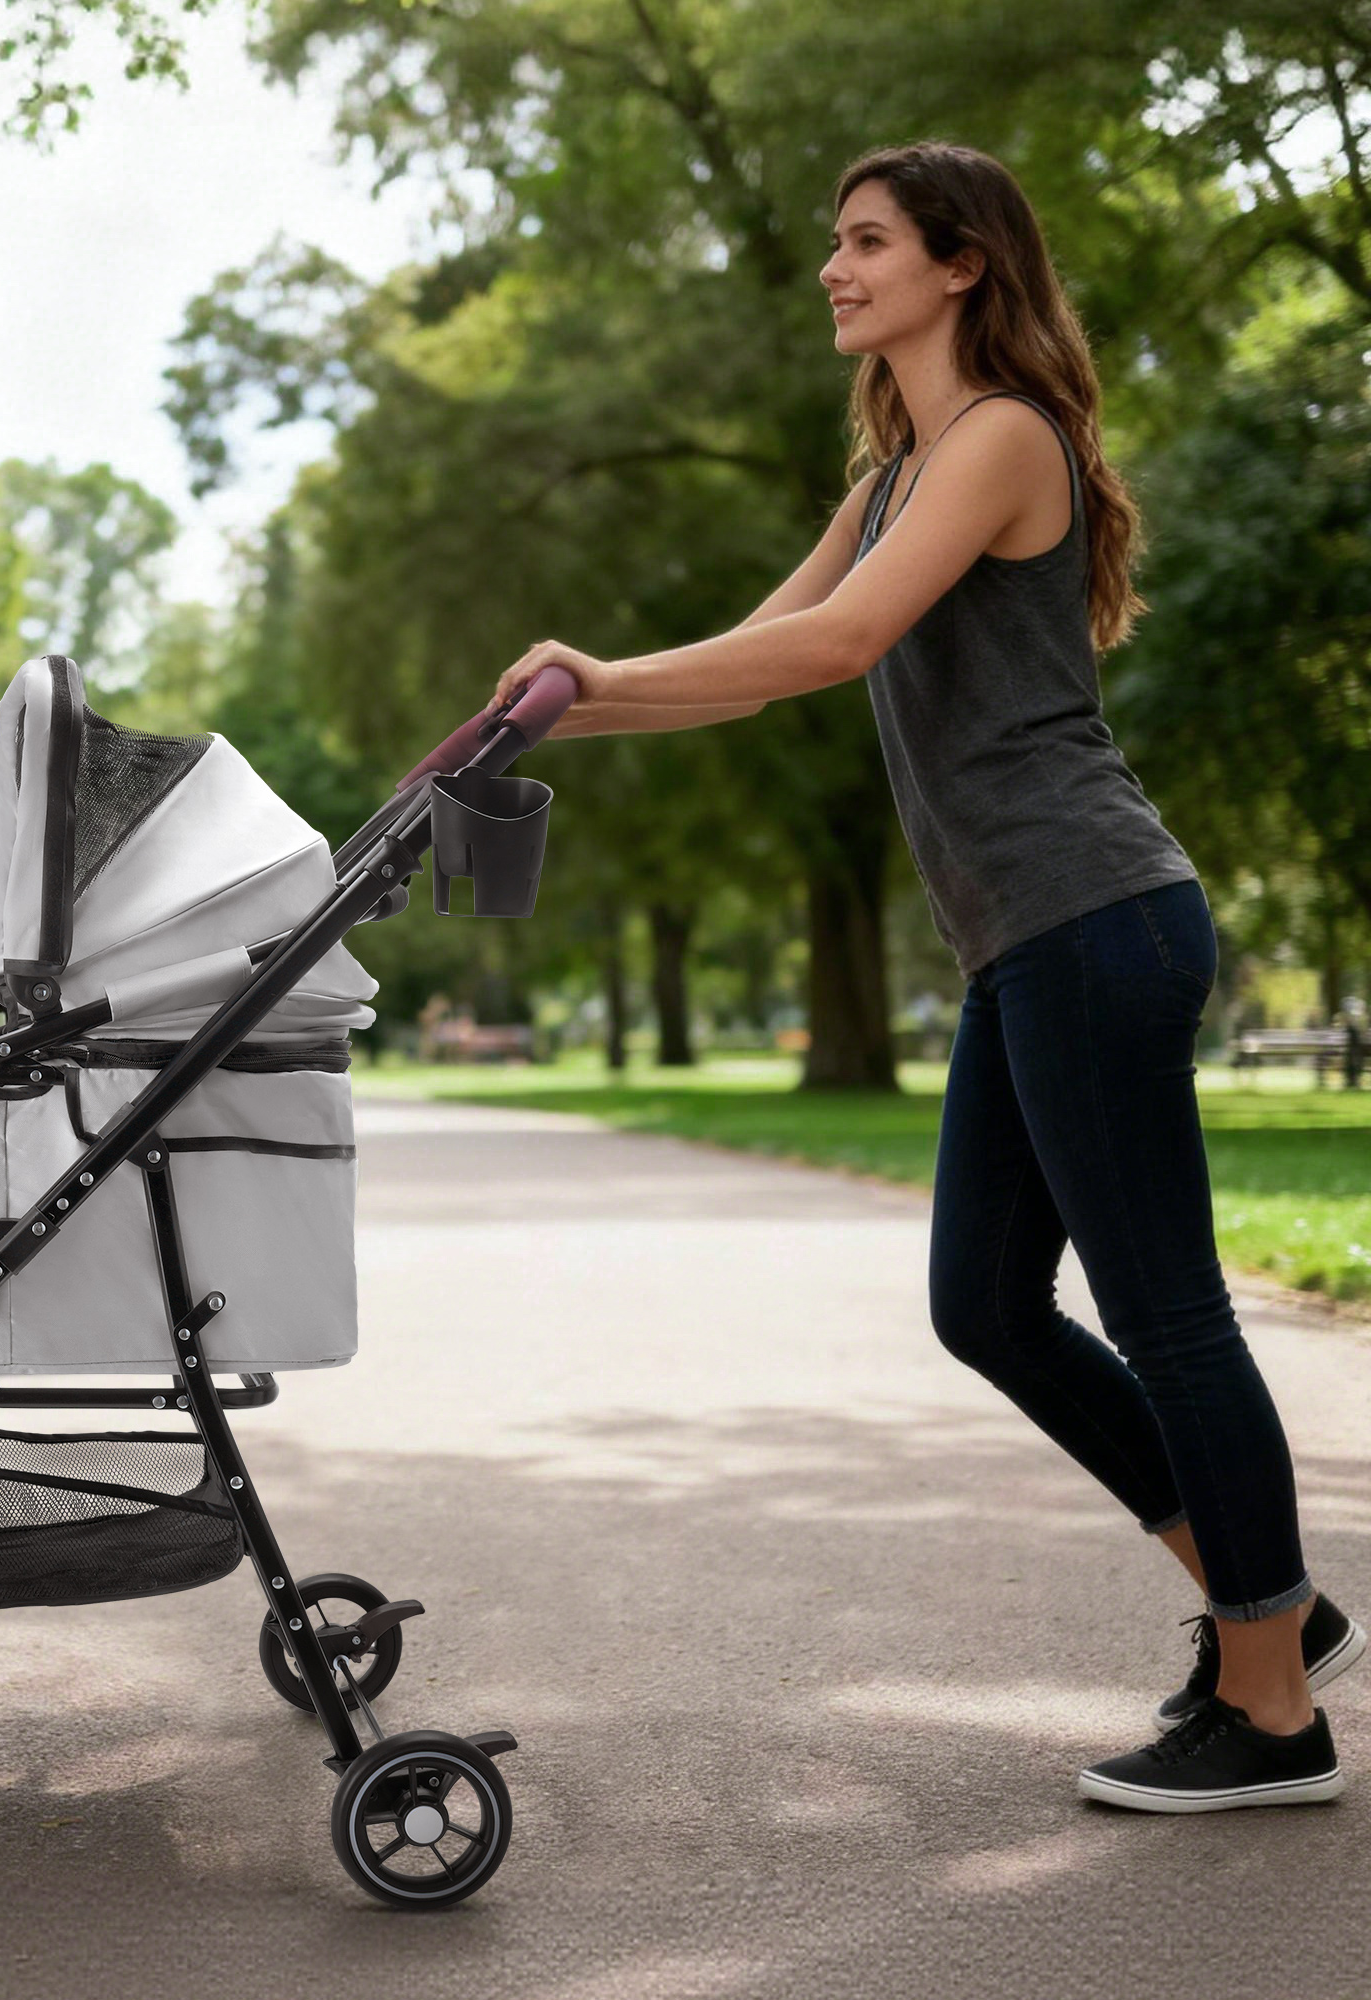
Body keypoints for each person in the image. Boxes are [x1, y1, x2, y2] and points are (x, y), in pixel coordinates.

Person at [492, 140, 1363, 1812]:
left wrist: (600, 675)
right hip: (1028, 941)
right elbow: (758, 666)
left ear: (962, 265)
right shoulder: (895, 474)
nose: (836, 267)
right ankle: (1277, 1608)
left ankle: (1272, 1713)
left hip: (1092, 917)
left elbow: (834, 647)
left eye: (869, 241)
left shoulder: (1000, 441)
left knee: (1167, 1312)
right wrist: (574, 701)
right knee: (984, 1305)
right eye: (837, 243)